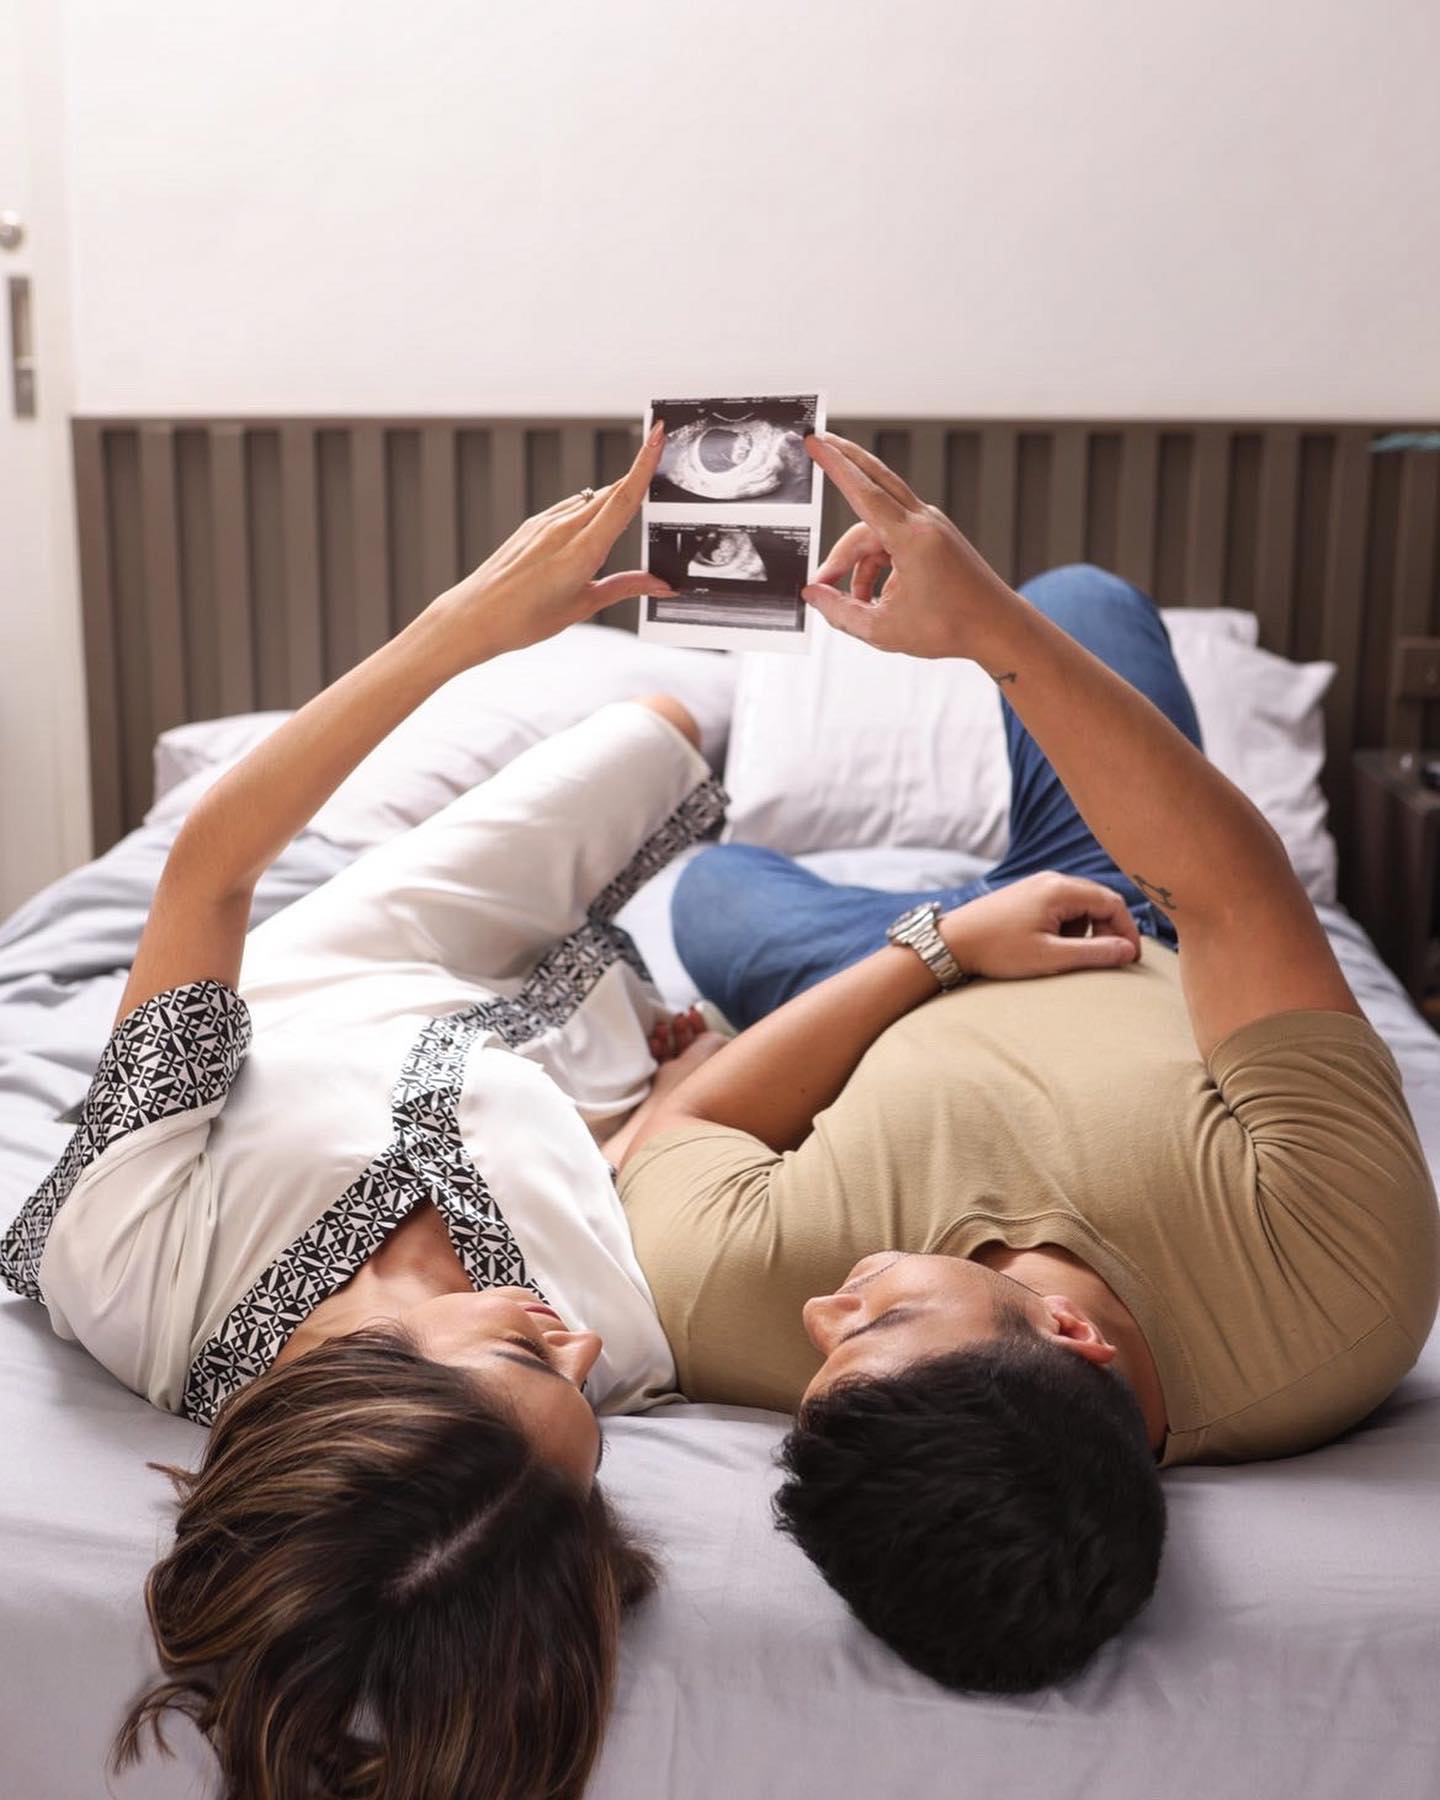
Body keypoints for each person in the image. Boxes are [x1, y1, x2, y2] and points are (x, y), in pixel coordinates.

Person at [616, 432, 1440, 1696]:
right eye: (876, 1320)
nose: (821, 1311)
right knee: (1079, 604)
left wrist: (940, 945)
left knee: (714, 896)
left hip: (904, 964)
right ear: (1071, 1333)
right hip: (1134, 910)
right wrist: (991, 630)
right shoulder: (1336, 1295)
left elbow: (695, 1121)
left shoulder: (798, 1342)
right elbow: (1230, 890)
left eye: (830, 1348)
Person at [0, 424, 725, 1800]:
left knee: (660, 729)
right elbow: (632, 1170)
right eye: (591, 1419)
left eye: (531, 1369)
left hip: (343, 968)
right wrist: (682, 1081)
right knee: (694, 799)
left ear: (373, 1389)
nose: (579, 1351)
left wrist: (465, 628)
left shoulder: (134, 1275)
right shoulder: (610, 1352)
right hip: (567, 1060)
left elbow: (210, 871)